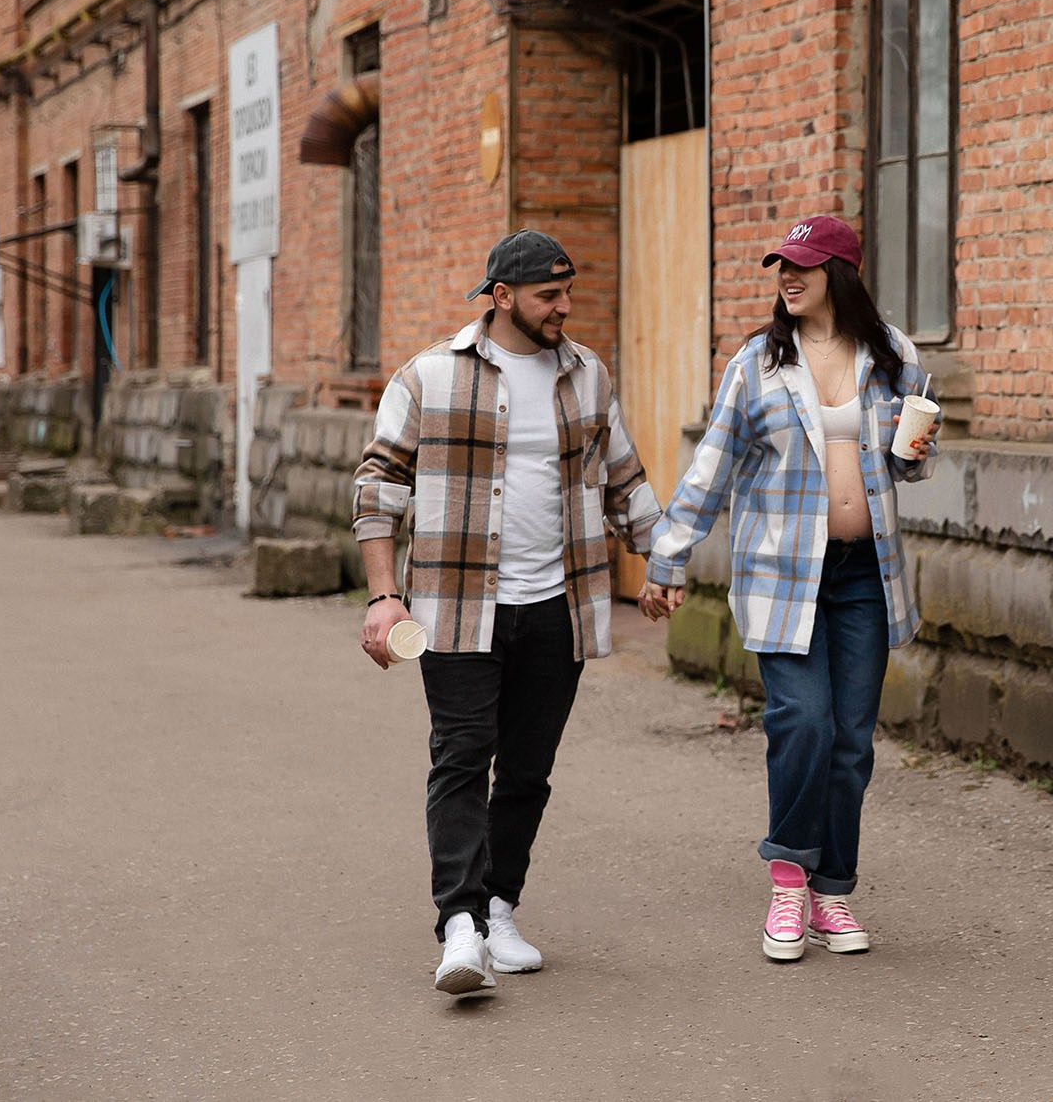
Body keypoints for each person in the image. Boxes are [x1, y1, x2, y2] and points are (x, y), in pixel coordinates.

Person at [354, 229, 660, 995]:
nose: (564, 307)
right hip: (456, 604)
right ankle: (458, 926)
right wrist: (385, 594)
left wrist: (665, 560)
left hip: (559, 606)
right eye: (548, 295)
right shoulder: (430, 376)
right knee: (461, 754)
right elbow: (378, 485)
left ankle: (499, 906)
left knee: (527, 770)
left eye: (567, 292)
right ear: (502, 297)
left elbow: (624, 478)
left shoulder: (587, 375)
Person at [639, 214, 938, 962]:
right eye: (781, 266)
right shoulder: (758, 362)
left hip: (864, 573)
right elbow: (714, 463)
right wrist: (668, 556)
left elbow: (912, 463)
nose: (787, 277)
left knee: (850, 742)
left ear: (842, 271)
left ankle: (832, 893)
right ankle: (788, 880)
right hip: (782, 576)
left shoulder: (892, 353)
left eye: (803, 265)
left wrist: (918, 445)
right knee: (802, 721)